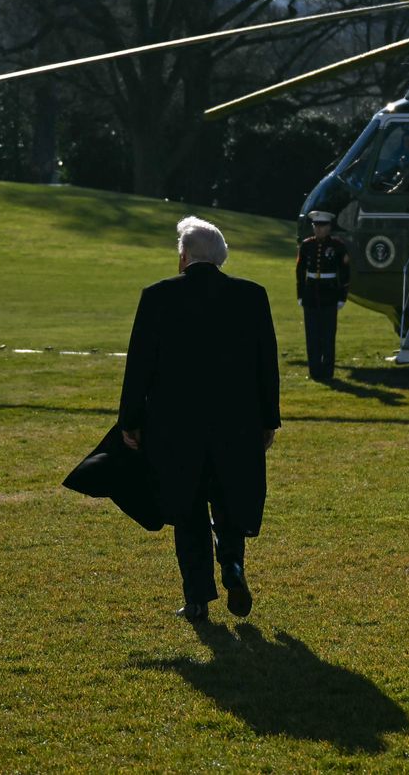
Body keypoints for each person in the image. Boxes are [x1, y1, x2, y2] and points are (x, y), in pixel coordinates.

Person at [119, 216, 281, 622]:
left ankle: (196, 598)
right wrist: (268, 420)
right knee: (229, 498)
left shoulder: (158, 296)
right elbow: (266, 365)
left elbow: (140, 366)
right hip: (237, 422)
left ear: (183, 255)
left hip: (176, 425)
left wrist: (130, 419)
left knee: (187, 508)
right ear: (221, 256)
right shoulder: (252, 296)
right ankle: (233, 564)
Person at [295, 210, 350, 381]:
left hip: (329, 294)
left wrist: (342, 297)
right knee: (312, 335)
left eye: (322, 226)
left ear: (329, 227)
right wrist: (300, 294)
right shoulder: (306, 245)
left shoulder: (338, 246)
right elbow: (300, 271)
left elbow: (344, 273)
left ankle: (327, 371)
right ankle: (314, 371)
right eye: (316, 226)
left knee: (327, 335)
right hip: (311, 294)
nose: (318, 229)